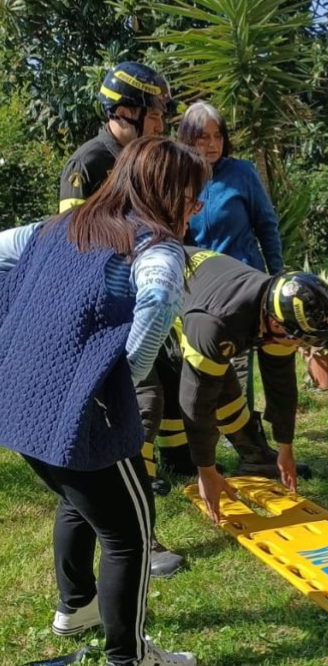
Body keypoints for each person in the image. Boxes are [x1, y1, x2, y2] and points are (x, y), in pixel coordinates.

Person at [0, 136, 209, 666]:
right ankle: (129, 658)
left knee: (78, 497)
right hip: (80, 412)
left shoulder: (55, 228)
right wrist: (122, 375)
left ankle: (77, 607)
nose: (198, 208)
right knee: (128, 534)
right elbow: (159, 300)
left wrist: (18, 329)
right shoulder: (152, 245)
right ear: (168, 193)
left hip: (20, 404)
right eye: (193, 196)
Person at [56, 60, 184, 578]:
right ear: (126, 111)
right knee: (132, 414)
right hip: (104, 316)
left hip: (139, 304)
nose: (162, 122)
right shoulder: (89, 164)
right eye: (155, 113)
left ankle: (136, 523)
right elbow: (75, 245)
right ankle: (137, 539)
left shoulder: (140, 156)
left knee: (158, 398)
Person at [134, 251, 328, 524]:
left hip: (193, 300)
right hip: (135, 307)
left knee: (226, 387)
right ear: (274, 323)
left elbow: (280, 382)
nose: (303, 347)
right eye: (302, 340)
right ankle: (134, 498)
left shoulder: (272, 309)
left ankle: (256, 457)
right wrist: (206, 472)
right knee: (145, 404)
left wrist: (285, 447)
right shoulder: (217, 323)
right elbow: (197, 403)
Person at [176, 101, 284, 422]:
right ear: (187, 138)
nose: (211, 145)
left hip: (242, 289)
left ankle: (244, 434)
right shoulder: (179, 176)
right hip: (197, 290)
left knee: (237, 366)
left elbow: (267, 226)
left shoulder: (242, 173)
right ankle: (205, 432)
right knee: (203, 364)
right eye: (202, 137)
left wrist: (276, 275)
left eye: (217, 136)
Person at [58, 62, 174, 213]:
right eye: (153, 117)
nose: (160, 127)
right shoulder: (85, 165)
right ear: (122, 114)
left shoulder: (150, 160)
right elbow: (70, 232)